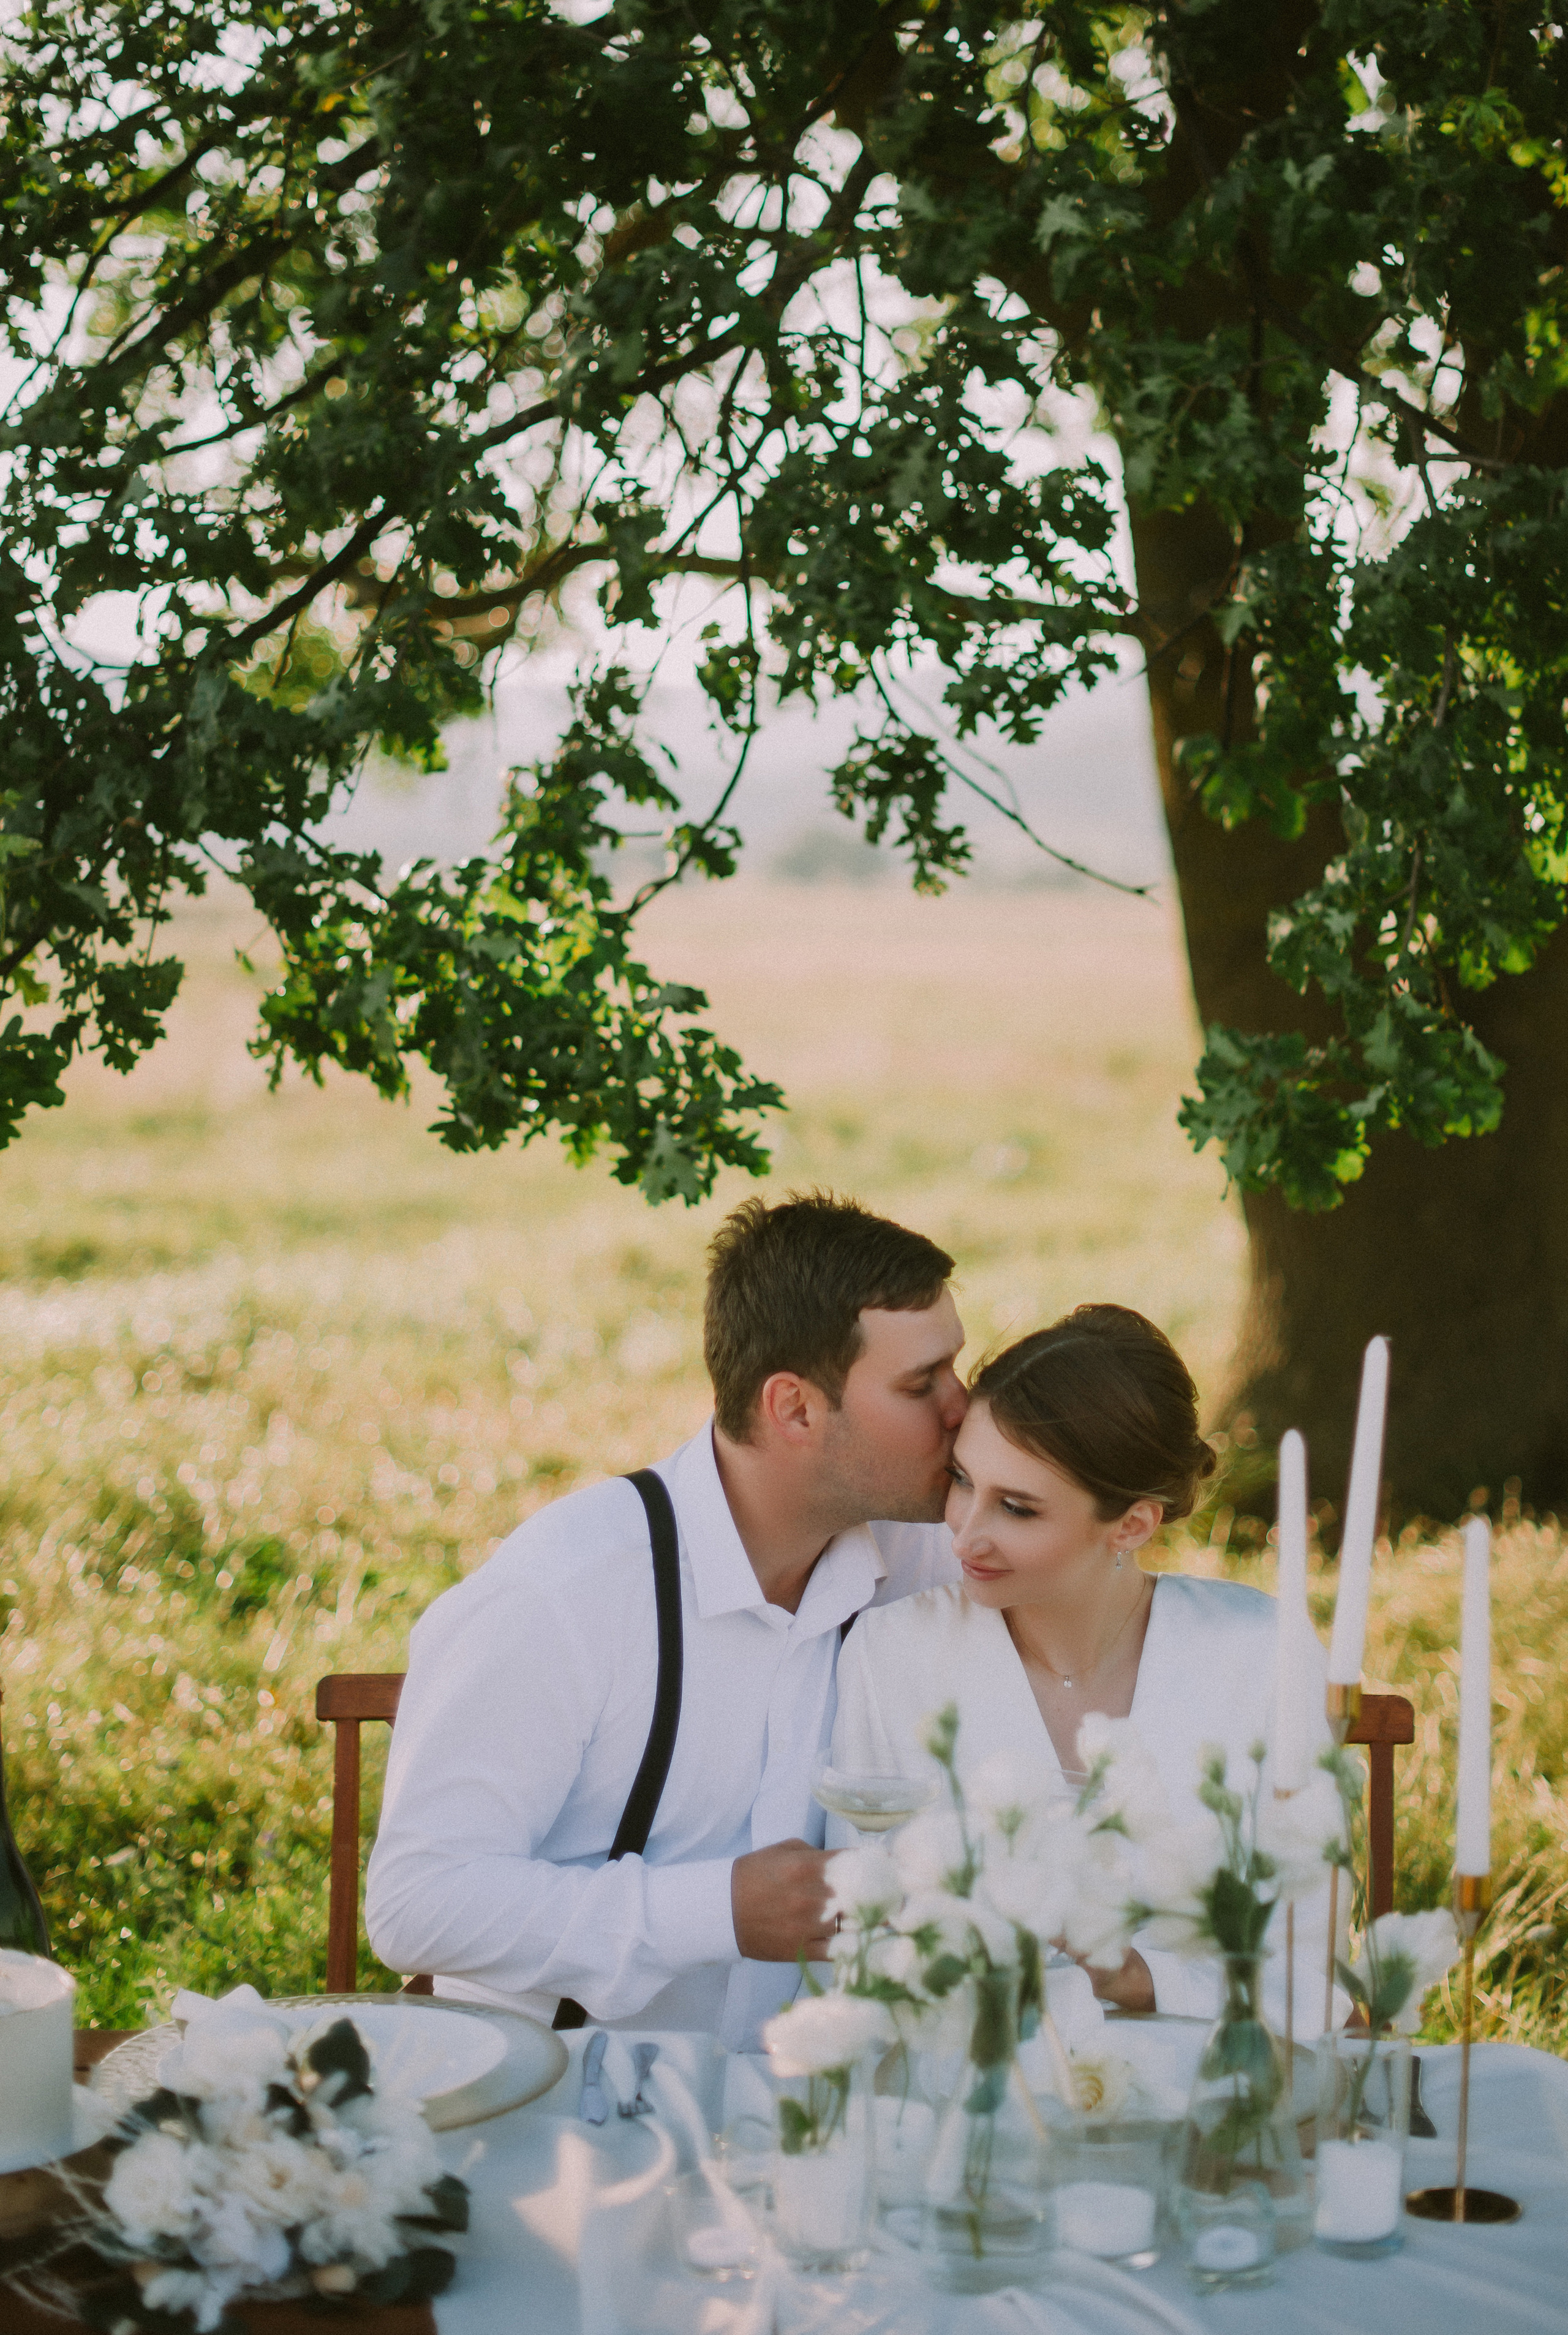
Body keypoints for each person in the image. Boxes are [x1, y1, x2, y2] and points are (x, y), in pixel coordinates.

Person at [364, 1192, 967, 2048]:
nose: (963, 1408)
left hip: (808, 2110)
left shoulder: (928, 1560)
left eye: (956, 1368)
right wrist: (713, 1910)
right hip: (561, 2113)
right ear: (794, 1409)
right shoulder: (566, 1592)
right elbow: (418, 1904)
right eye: (922, 1385)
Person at [832, 1302, 1336, 2032]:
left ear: (1131, 1525)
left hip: (1208, 2098)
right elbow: (859, 1928)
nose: (965, 1532)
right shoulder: (894, 1652)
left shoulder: (1256, 1651)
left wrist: (1140, 1978)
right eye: (963, 1479)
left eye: (1018, 1507)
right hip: (972, 2098)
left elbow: (1313, 1960)